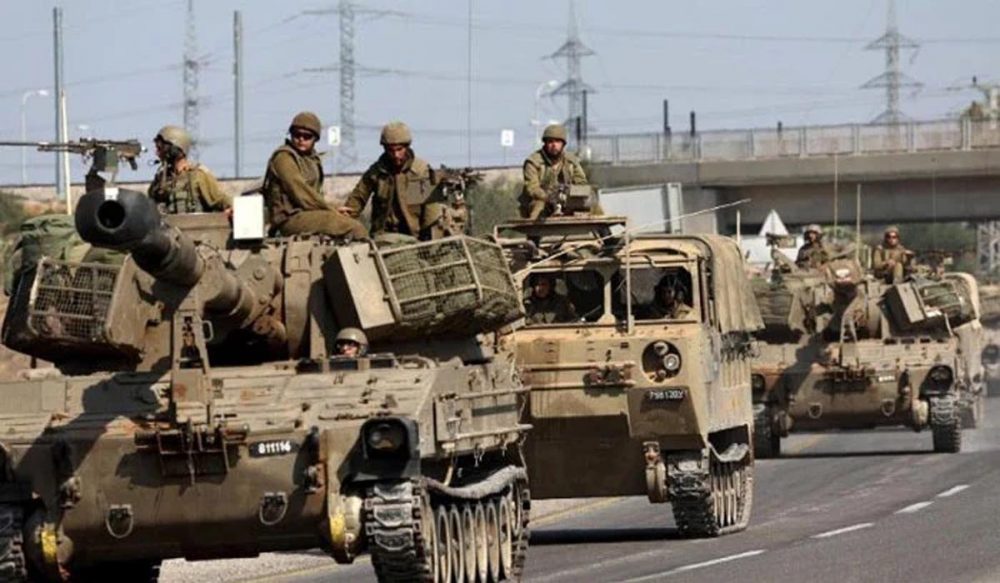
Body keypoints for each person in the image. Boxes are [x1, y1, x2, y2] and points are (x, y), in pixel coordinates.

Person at [262, 112, 367, 239]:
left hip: (307, 214)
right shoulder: (284, 158)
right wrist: (331, 210)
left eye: (307, 136)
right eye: (297, 134)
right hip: (290, 219)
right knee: (353, 227)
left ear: (315, 139)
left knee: (351, 221)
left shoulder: (312, 159)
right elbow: (302, 193)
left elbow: (314, 196)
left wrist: (332, 209)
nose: (301, 139)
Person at [341, 122, 442, 239]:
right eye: (391, 150)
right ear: (385, 149)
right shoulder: (376, 172)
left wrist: (428, 242)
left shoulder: (421, 172)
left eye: (399, 149)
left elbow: (432, 215)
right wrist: (344, 219)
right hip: (382, 236)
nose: (396, 155)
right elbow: (357, 199)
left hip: (415, 237)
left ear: (407, 147)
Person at [148, 125, 231, 214]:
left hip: (194, 223)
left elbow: (222, 202)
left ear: (174, 148)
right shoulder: (160, 180)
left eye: (160, 148)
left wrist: (230, 210)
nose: (157, 153)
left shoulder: (198, 176)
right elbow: (148, 207)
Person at [519, 124, 590, 220]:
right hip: (541, 201)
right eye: (550, 141)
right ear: (545, 143)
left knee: (591, 204)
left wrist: (571, 195)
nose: (554, 145)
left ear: (563, 144)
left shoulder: (571, 161)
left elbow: (581, 183)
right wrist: (549, 198)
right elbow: (532, 188)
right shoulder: (534, 162)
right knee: (538, 208)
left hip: (566, 200)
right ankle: (535, 229)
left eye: (557, 141)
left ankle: (601, 229)